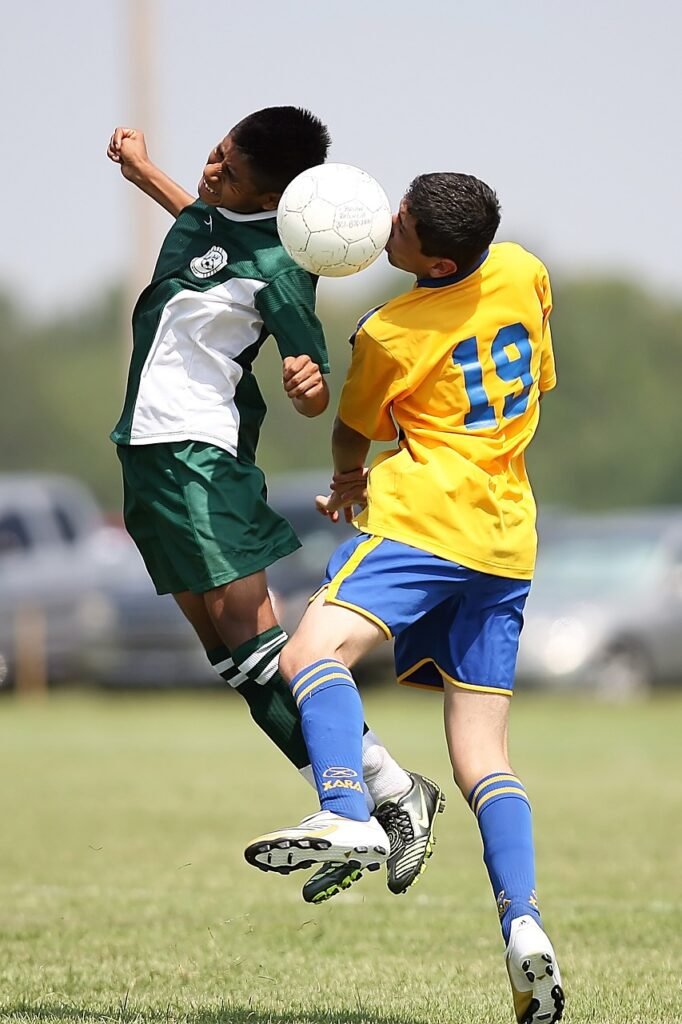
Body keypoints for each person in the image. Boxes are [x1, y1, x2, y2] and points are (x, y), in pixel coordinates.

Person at [245, 172, 565, 1024]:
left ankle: (349, 807)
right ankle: (524, 924)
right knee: (483, 756)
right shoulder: (526, 271)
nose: (388, 225)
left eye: (404, 226)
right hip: (507, 540)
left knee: (310, 653)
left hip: (424, 526)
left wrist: (349, 480)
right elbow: (537, 377)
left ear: (440, 257)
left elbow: (354, 425)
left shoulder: (387, 330)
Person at [106, 107, 445, 906]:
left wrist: (310, 385)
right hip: (145, 453)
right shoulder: (201, 217)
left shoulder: (286, 269)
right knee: (234, 659)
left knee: (254, 638)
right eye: (217, 150)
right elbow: (197, 215)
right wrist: (141, 168)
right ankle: (381, 795)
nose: (214, 166)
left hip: (202, 452)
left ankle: (365, 802)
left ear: (275, 195)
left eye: (231, 165)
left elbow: (311, 383)